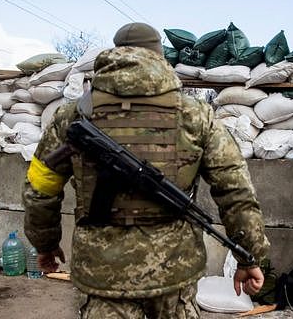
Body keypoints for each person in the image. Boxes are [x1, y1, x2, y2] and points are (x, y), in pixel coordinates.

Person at [23, 22, 270, 318]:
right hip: (174, 272)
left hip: (102, 272)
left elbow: (40, 189)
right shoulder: (195, 114)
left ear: (116, 53)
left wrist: (45, 244)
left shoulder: (71, 114)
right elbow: (236, 192)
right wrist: (249, 255)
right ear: (159, 56)